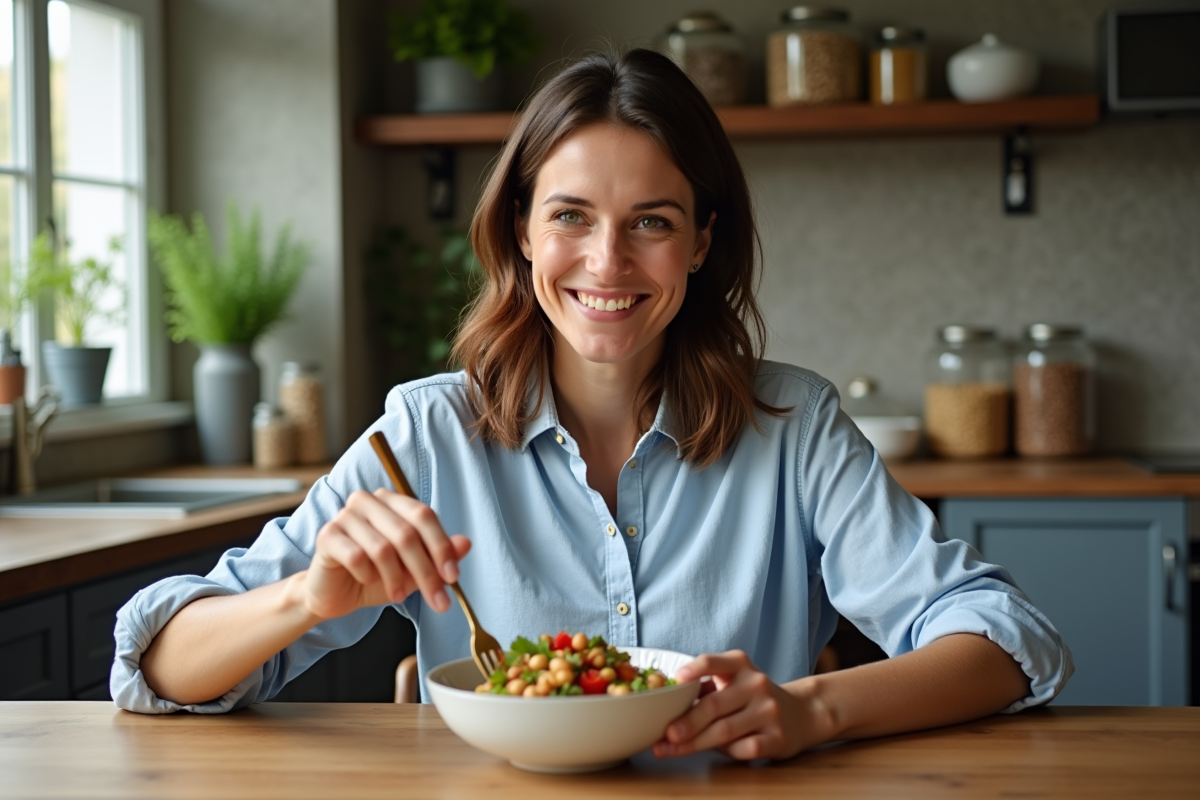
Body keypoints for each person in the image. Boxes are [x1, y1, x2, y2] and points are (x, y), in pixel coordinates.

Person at [114, 48, 1071, 761]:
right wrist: (303, 598)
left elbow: (1005, 636)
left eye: (650, 223)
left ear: (700, 242)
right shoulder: (426, 432)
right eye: (570, 216)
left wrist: (814, 707)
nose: (607, 264)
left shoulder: (795, 426)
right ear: (522, 232)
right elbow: (157, 670)